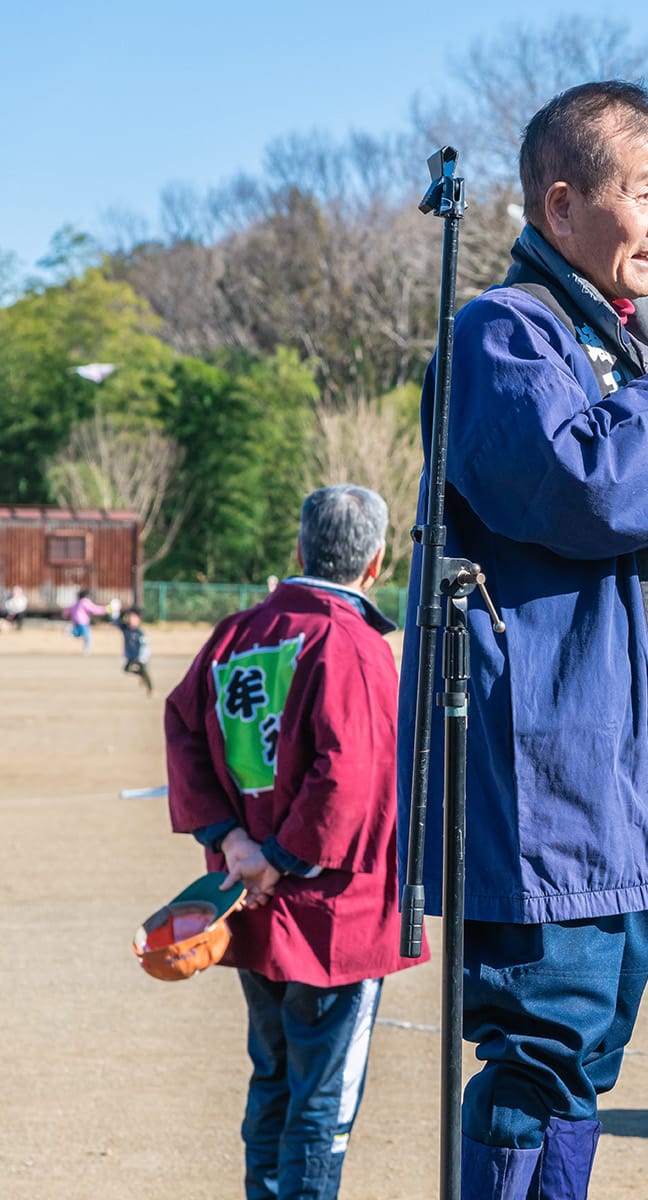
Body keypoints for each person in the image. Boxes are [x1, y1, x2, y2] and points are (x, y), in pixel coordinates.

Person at [395, 80, 648, 1200]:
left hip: (629, 788)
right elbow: (580, 488)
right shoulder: (502, 334)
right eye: (643, 192)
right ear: (560, 206)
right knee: (540, 1055)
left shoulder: (623, 346)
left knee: (583, 1064)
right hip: (553, 792)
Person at [164, 485, 423, 1200]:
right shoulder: (353, 645)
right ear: (374, 565)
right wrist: (277, 857)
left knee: (273, 1076)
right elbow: (352, 775)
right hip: (331, 911)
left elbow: (182, 727)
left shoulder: (236, 633)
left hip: (250, 895)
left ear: (298, 551)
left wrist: (232, 842)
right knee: (322, 1101)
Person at [118, 604, 153, 695]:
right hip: (131, 655)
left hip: (141, 656)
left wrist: (141, 657)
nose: (130, 619)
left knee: (145, 671)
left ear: (139, 620)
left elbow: (144, 646)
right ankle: (141, 675)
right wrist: (118, 612)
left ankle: (150, 689)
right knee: (126, 669)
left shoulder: (139, 632)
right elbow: (116, 622)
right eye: (129, 617)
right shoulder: (125, 628)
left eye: (133, 617)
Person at [63, 587, 105, 653]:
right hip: (83, 621)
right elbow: (93, 609)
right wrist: (104, 609)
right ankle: (86, 649)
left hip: (76, 620)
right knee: (87, 635)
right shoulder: (85, 602)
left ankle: (70, 630)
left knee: (78, 634)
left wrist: (65, 613)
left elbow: (70, 608)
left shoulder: (77, 602)